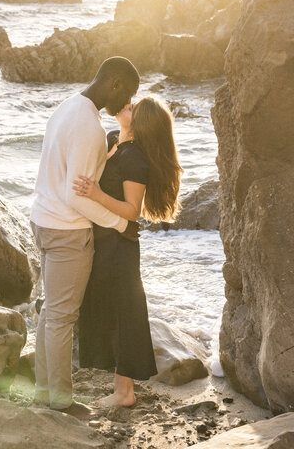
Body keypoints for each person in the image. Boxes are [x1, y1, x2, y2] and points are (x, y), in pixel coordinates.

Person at [30, 56, 140, 419]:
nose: (126, 106)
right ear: (115, 83)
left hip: (42, 221)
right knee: (62, 317)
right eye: (127, 96)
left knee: (50, 312)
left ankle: (45, 392)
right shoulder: (89, 127)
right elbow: (76, 194)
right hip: (67, 231)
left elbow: (65, 175)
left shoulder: (67, 107)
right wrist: (120, 224)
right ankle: (60, 401)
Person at [74, 96, 183, 407]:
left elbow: (132, 210)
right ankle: (119, 389)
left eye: (134, 108)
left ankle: (124, 393)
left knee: (126, 316)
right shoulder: (113, 141)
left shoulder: (135, 158)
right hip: (103, 240)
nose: (127, 105)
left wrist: (94, 193)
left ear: (141, 122)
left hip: (120, 246)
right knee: (106, 310)